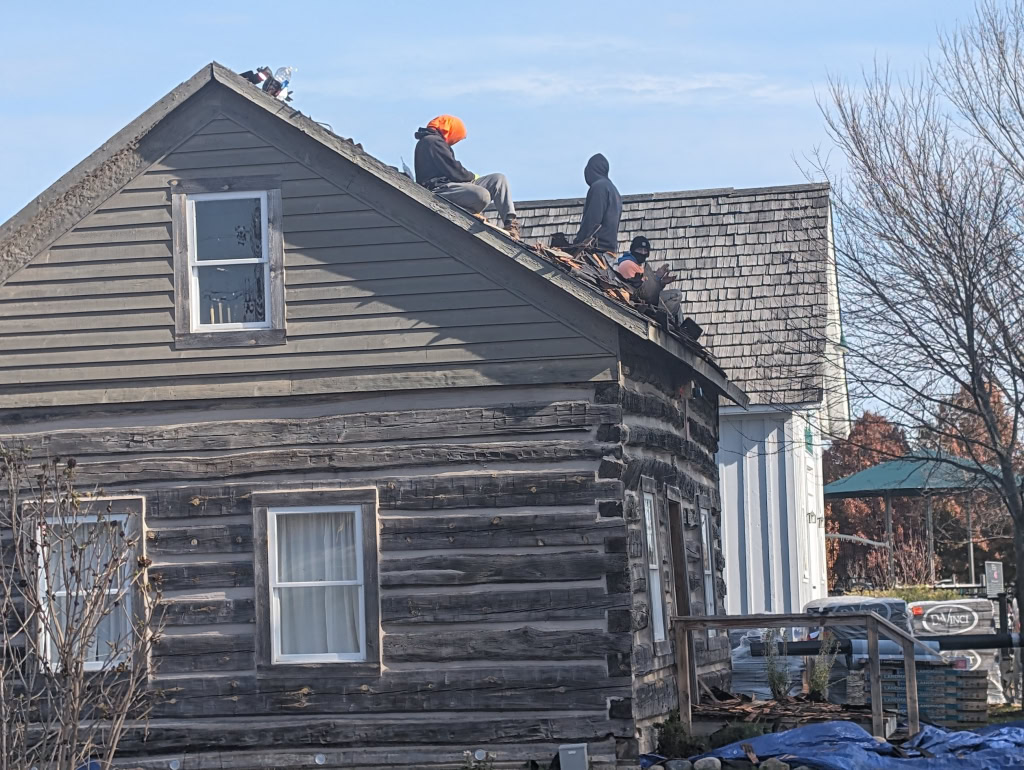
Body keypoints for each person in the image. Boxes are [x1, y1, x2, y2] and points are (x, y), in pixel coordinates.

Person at [413, 115, 520, 239]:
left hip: (454, 186)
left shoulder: (435, 142)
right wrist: (471, 177)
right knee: (482, 195)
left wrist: (469, 179)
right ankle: (466, 212)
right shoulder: (432, 142)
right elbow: (453, 170)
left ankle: (510, 224)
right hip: (439, 191)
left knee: (498, 179)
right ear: (450, 130)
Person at [574, 153, 622, 252]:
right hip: (609, 250)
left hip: (596, 248)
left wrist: (578, 243)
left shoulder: (598, 187)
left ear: (592, 170)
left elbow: (592, 221)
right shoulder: (614, 190)